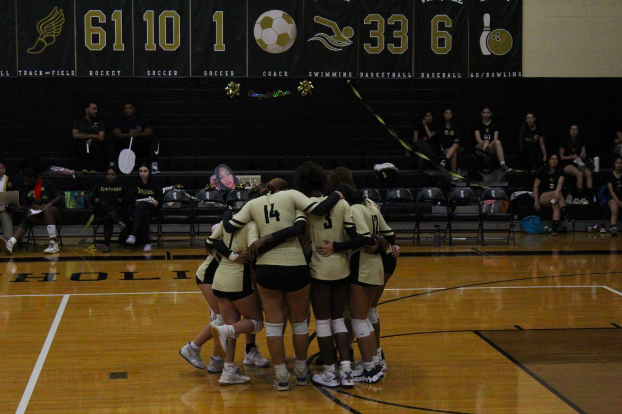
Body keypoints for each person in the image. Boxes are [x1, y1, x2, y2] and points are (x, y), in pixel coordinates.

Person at [223, 178, 343, 391]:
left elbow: (231, 225)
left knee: (274, 324)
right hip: (295, 265)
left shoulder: (254, 204)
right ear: (285, 188)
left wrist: (226, 211)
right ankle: (300, 371)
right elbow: (317, 212)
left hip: (267, 269)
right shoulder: (292, 197)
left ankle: (280, 376)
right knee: (299, 323)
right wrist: (338, 194)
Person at [293, 162, 376, 388]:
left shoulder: (306, 207)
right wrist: (338, 247)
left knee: (323, 322)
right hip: (342, 270)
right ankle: (346, 371)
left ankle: (330, 373)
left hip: (319, 270)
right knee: (339, 319)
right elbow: (362, 239)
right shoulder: (342, 204)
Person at [317, 183, 388, 383]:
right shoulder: (369, 206)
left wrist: (337, 247)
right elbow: (385, 236)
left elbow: (365, 239)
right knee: (365, 317)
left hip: (361, 266)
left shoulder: (352, 210)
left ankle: (370, 369)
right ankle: (374, 363)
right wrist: (382, 243)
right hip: (375, 265)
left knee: (359, 319)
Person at [207, 212, 266, 385]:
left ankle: (228, 371)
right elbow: (255, 246)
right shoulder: (251, 225)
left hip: (219, 280)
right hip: (238, 279)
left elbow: (210, 242)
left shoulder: (225, 224)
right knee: (256, 323)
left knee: (233, 327)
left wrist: (229, 253)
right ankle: (223, 331)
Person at [0, 167, 63, 254]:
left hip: (53, 210)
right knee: (27, 219)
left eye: (27, 181)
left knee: (47, 210)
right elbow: (25, 205)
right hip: (38, 213)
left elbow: (59, 196)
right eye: (24, 181)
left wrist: (48, 204)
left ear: (34, 178)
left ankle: (53, 243)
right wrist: (30, 208)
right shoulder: (26, 190)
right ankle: (11, 243)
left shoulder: (46, 183)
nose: (25, 183)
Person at [112, 102, 160, 174]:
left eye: (129, 108)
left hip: (140, 144)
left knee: (154, 138)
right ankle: (113, 164)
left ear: (134, 109)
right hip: (125, 145)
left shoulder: (142, 120)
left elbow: (149, 132)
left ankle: (154, 164)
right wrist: (128, 134)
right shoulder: (120, 121)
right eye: (126, 109)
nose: (127, 110)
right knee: (110, 139)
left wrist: (138, 133)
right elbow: (116, 133)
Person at [533, 154, 573, 236]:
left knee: (556, 204)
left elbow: (560, 184)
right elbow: (535, 186)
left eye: (556, 159)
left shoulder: (561, 172)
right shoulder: (543, 170)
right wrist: (536, 200)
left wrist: (557, 193)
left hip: (555, 197)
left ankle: (554, 229)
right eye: (552, 159)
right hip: (544, 197)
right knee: (558, 194)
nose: (553, 161)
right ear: (549, 160)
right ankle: (566, 214)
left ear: (558, 162)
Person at [91, 166, 128, 253]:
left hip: (117, 210)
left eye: (112, 174)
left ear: (117, 175)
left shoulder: (122, 185)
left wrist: (103, 199)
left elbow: (126, 201)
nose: (110, 176)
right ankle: (119, 223)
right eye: (108, 174)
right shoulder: (99, 185)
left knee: (107, 217)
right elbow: (92, 200)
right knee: (103, 205)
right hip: (101, 209)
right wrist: (115, 199)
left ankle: (107, 245)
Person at [126, 163, 161, 252]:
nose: (143, 173)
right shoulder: (134, 184)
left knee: (145, 207)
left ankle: (133, 234)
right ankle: (147, 243)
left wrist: (155, 202)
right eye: (141, 171)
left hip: (152, 209)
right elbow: (131, 199)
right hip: (136, 210)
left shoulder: (155, 185)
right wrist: (138, 202)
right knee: (144, 212)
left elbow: (159, 200)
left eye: (145, 171)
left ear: (149, 172)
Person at [72, 102, 111, 173]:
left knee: (96, 143)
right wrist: (92, 136)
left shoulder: (100, 122)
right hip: (81, 145)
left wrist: (92, 140)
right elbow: (75, 135)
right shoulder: (78, 121)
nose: (96, 111)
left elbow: (101, 137)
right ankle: (84, 168)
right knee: (80, 143)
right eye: (93, 109)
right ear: (87, 110)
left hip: (96, 146)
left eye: (96, 109)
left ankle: (94, 168)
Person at [559, 125, 592, 204]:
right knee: (579, 174)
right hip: (567, 163)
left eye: (575, 129)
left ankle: (590, 195)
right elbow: (561, 157)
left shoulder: (580, 140)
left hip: (578, 162)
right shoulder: (565, 140)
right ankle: (579, 196)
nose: (573, 131)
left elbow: (584, 152)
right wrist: (571, 157)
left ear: (578, 131)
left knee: (588, 173)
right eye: (572, 129)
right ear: (569, 130)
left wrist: (583, 153)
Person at [474, 106, 512, 173]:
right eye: (484, 112)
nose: (486, 114)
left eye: (488, 112)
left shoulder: (494, 123)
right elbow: (478, 139)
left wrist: (489, 146)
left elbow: (495, 139)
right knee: (486, 141)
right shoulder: (478, 123)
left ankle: (503, 165)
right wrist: (486, 143)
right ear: (481, 114)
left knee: (498, 142)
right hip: (480, 148)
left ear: (491, 114)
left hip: (490, 148)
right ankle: (486, 157)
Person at [438, 108, 462, 175]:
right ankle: (454, 174)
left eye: (450, 113)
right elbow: (442, 139)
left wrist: (448, 136)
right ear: (443, 114)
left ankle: (445, 160)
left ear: (452, 115)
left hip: (457, 147)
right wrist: (451, 136)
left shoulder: (456, 125)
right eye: (446, 113)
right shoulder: (441, 126)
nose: (448, 115)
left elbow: (459, 138)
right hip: (446, 148)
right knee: (453, 153)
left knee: (456, 144)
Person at [606, 156, 622, 236]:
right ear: (614, 164)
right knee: (615, 210)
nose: (619, 165)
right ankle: (613, 228)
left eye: (621, 163)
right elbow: (611, 191)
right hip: (613, 197)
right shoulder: (610, 175)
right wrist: (619, 202)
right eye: (617, 162)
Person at [0, 159, 16, 239]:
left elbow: (13, 197)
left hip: (5, 207)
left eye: (3, 168)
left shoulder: (10, 180)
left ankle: (8, 242)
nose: (1, 170)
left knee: (5, 215)